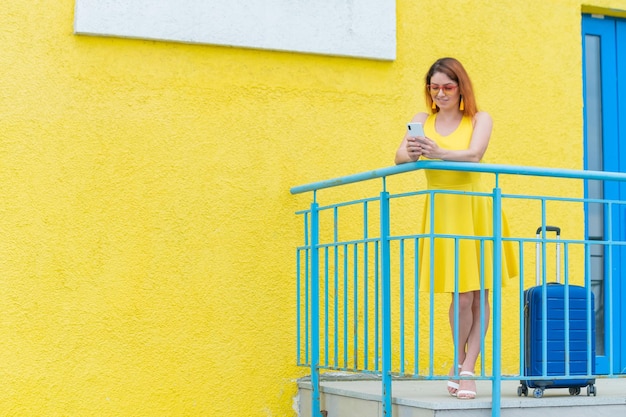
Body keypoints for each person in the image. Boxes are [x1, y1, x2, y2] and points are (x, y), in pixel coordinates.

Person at [394, 57, 518, 400]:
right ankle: (459, 360)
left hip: (476, 206)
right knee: (460, 295)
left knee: (481, 293)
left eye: (448, 87)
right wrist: (416, 151)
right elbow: (399, 157)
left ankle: (467, 369)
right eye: (434, 87)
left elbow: (475, 154)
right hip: (443, 211)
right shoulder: (421, 120)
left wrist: (440, 152)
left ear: (461, 87)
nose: (441, 93)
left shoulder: (479, 118)